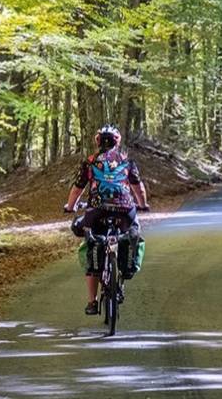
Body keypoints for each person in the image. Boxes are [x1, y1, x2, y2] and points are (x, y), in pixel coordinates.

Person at [63, 124, 150, 315]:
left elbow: (78, 188)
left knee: (92, 245)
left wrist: (70, 207)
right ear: (117, 143)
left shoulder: (90, 162)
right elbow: (138, 188)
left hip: (97, 211)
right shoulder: (127, 162)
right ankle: (123, 272)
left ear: (98, 141)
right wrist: (142, 205)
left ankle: (92, 301)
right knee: (132, 233)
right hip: (125, 211)